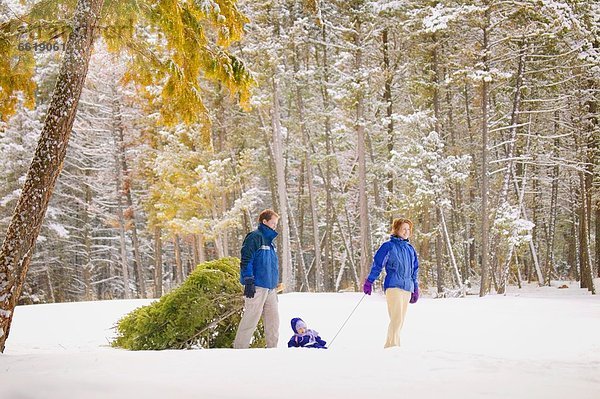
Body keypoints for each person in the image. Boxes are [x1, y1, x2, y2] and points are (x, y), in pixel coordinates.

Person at [363, 218, 419, 348]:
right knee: (397, 318)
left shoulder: (410, 249)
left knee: (400, 321)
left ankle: (390, 346)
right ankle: (393, 347)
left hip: (407, 288)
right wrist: (369, 281)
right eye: (403, 229)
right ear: (396, 230)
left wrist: (415, 287)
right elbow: (378, 264)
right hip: (393, 286)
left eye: (408, 229)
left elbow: (414, 269)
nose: (406, 232)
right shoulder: (388, 246)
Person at [233, 209, 281, 349]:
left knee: (273, 322)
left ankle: (273, 349)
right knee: (251, 319)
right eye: (273, 223)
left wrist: (274, 282)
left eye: (276, 224)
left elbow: (269, 265)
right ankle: (240, 349)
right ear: (264, 221)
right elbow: (246, 259)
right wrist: (248, 280)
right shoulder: (254, 237)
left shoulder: (270, 242)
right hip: (257, 286)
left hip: (270, 288)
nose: (274, 226)